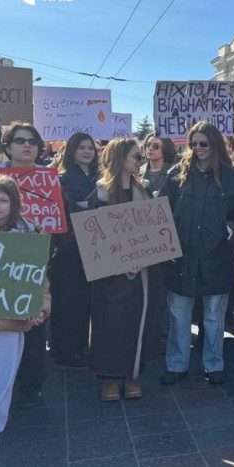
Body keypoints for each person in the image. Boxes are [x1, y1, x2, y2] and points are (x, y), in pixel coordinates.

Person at [160, 122, 234, 386]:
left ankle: (214, 364)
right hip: (182, 257)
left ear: (214, 145)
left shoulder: (233, 178)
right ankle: (177, 364)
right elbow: (163, 208)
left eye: (203, 144)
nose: (198, 149)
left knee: (214, 316)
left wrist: (230, 230)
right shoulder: (177, 174)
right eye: (193, 144)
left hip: (216, 256)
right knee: (178, 315)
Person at [85, 139, 163, 401]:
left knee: (136, 324)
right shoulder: (101, 194)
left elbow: (151, 233)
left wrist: (145, 255)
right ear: (120, 159)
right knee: (110, 324)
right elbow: (96, 238)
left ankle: (132, 374)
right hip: (110, 275)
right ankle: (110, 377)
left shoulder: (145, 191)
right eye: (136, 157)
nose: (141, 161)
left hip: (141, 272)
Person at [0, 174, 51, 454]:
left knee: (4, 376)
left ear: (14, 204)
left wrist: (40, 309)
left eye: (2, 200)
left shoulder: (30, 235)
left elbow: (40, 282)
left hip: (13, 323)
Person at [0, 123, 48, 409]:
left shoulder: (52, 179)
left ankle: (31, 383)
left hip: (35, 260)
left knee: (33, 321)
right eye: (20, 141)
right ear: (7, 146)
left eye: (32, 141)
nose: (26, 146)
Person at [49, 132, 99, 370]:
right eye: (81, 148)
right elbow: (65, 212)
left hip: (95, 247)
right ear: (72, 151)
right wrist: (90, 209)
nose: (87, 151)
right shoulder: (62, 178)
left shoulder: (100, 177)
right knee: (66, 300)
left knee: (85, 301)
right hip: (69, 249)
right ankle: (62, 350)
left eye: (90, 147)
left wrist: (84, 207)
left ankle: (80, 345)